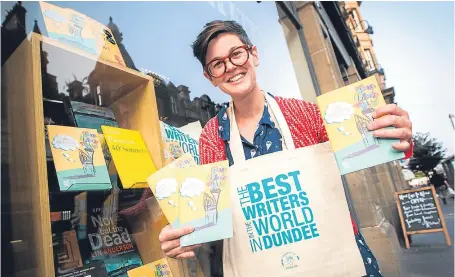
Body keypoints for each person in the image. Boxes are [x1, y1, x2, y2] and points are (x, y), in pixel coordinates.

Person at [158, 20, 413, 276]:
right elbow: (211, 218)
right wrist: (186, 236)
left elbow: (370, 144)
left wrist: (397, 134)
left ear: (253, 54)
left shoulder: (307, 114)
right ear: (210, 77)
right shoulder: (212, 138)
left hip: (338, 261)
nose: (231, 67)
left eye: (236, 53)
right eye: (217, 64)